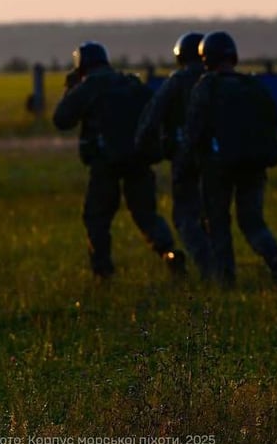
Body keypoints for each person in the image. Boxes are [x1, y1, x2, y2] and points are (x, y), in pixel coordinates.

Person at [52, 41, 185, 280]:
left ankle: (103, 271)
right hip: (139, 160)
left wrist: (70, 89)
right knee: (146, 214)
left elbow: (62, 119)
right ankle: (169, 253)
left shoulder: (89, 87)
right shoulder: (131, 83)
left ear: (81, 67)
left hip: (105, 163)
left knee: (97, 217)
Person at [180, 31, 277, 288]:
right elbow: (273, 120)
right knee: (252, 222)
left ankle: (226, 278)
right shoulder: (252, 86)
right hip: (254, 166)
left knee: (218, 223)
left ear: (206, 58)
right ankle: (275, 259)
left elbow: (193, 130)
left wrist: (185, 164)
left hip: (216, 168)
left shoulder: (206, 86)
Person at [135, 31, 216, 280]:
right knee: (214, 215)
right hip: (217, 158)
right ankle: (223, 268)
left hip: (185, 159)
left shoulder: (177, 81)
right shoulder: (217, 80)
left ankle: (210, 271)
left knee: (185, 218)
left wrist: (143, 149)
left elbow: (152, 116)